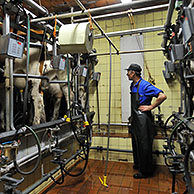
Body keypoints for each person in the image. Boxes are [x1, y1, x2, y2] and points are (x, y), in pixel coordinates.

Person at [125, 63, 167, 179]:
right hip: (135, 118)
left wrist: (150, 107)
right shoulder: (133, 85)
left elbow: (162, 96)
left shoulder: (145, 85)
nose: (127, 74)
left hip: (143, 120)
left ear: (133, 73)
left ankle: (146, 171)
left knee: (144, 145)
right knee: (136, 142)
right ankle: (139, 164)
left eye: (128, 72)